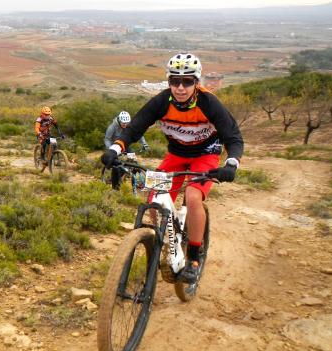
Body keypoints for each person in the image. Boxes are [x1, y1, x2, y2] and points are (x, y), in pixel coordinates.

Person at [101, 52, 244, 284]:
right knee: (155, 195)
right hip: (176, 154)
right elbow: (135, 128)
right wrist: (116, 149)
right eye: (174, 81)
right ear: (168, 82)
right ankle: (165, 237)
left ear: (196, 82)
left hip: (206, 155)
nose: (180, 87)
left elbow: (233, 138)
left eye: (187, 81)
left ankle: (194, 258)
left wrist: (231, 163)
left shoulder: (209, 103)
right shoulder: (162, 101)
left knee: (193, 195)